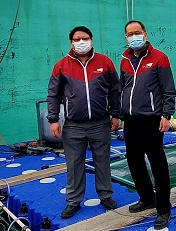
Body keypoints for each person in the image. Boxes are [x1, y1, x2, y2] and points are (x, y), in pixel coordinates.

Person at [47, 26, 121, 218]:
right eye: (77, 39)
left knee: (103, 162)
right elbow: (53, 95)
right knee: (74, 164)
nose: (82, 42)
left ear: (92, 39)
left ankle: (106, 196)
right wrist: (53, 119)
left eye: (85, 38)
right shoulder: (61, 65)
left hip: (100, 123)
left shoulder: (105, 63)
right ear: (71, 42)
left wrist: (116, 115)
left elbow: (115, 90)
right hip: (73, 124)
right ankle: (73, 201)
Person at [119, 20, 176, 229]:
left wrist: (166, 115)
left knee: (157, 163)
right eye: (129, 34)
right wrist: (121, 115)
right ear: (126, 37)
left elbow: (168, 89)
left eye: (137, 32)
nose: (134, 36)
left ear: (144, 33)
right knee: (134, 160)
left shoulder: (159, 58)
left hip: (152, 118)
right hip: (131, 119)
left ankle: (163, 209)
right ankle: (146, 198)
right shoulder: (125, 59)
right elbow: (122, 89)